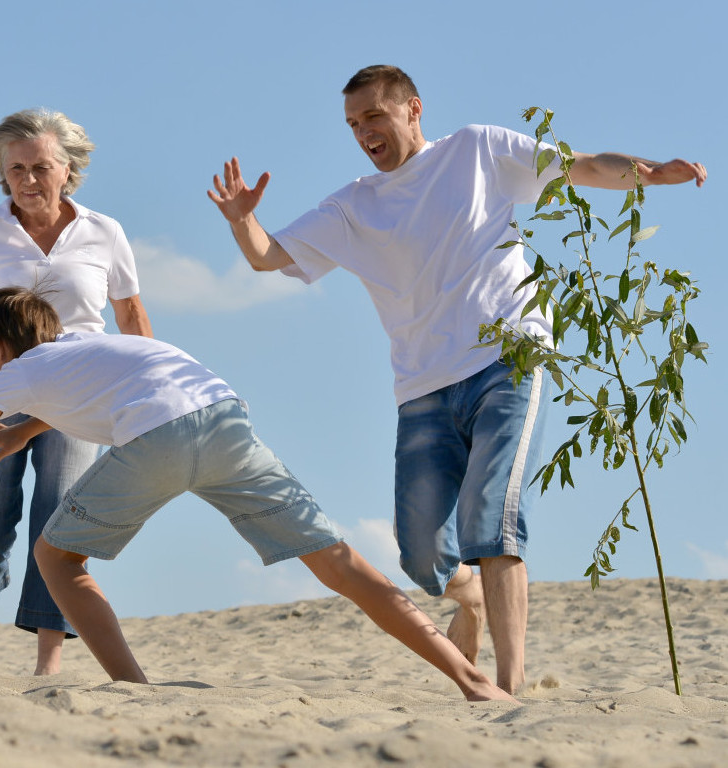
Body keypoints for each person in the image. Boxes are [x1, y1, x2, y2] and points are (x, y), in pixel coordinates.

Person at [206, 64, 708, 694]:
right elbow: (266, 256)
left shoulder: (476, 150)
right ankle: (468, 603)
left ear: (412, 109)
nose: (363, 132)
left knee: (493, 517)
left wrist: (653, 173)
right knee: (421, 553)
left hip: (509, 360)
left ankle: (511, 688)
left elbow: (582, 165)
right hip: (421, 389)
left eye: (374, 117)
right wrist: (240, 220)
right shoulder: (354, 204)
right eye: (353, 124)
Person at [0, 287, 514, 701]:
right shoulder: (83, 350)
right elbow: (89, 393)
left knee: (59, 561)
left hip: (162, 435)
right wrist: (22, 436)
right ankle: (469, 679)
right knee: (336, 561)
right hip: (226, 417)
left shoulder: (18, 373)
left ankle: (132, 690)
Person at [0, 108, 152, 675]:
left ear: (68, 169)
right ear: (1, 172)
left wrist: (142, 392)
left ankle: (47, 660)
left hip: (80, 396)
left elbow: (131, 317)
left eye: (40, 167)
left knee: (59, 518)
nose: (28, 180)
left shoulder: (104, 232)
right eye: (16, 169)